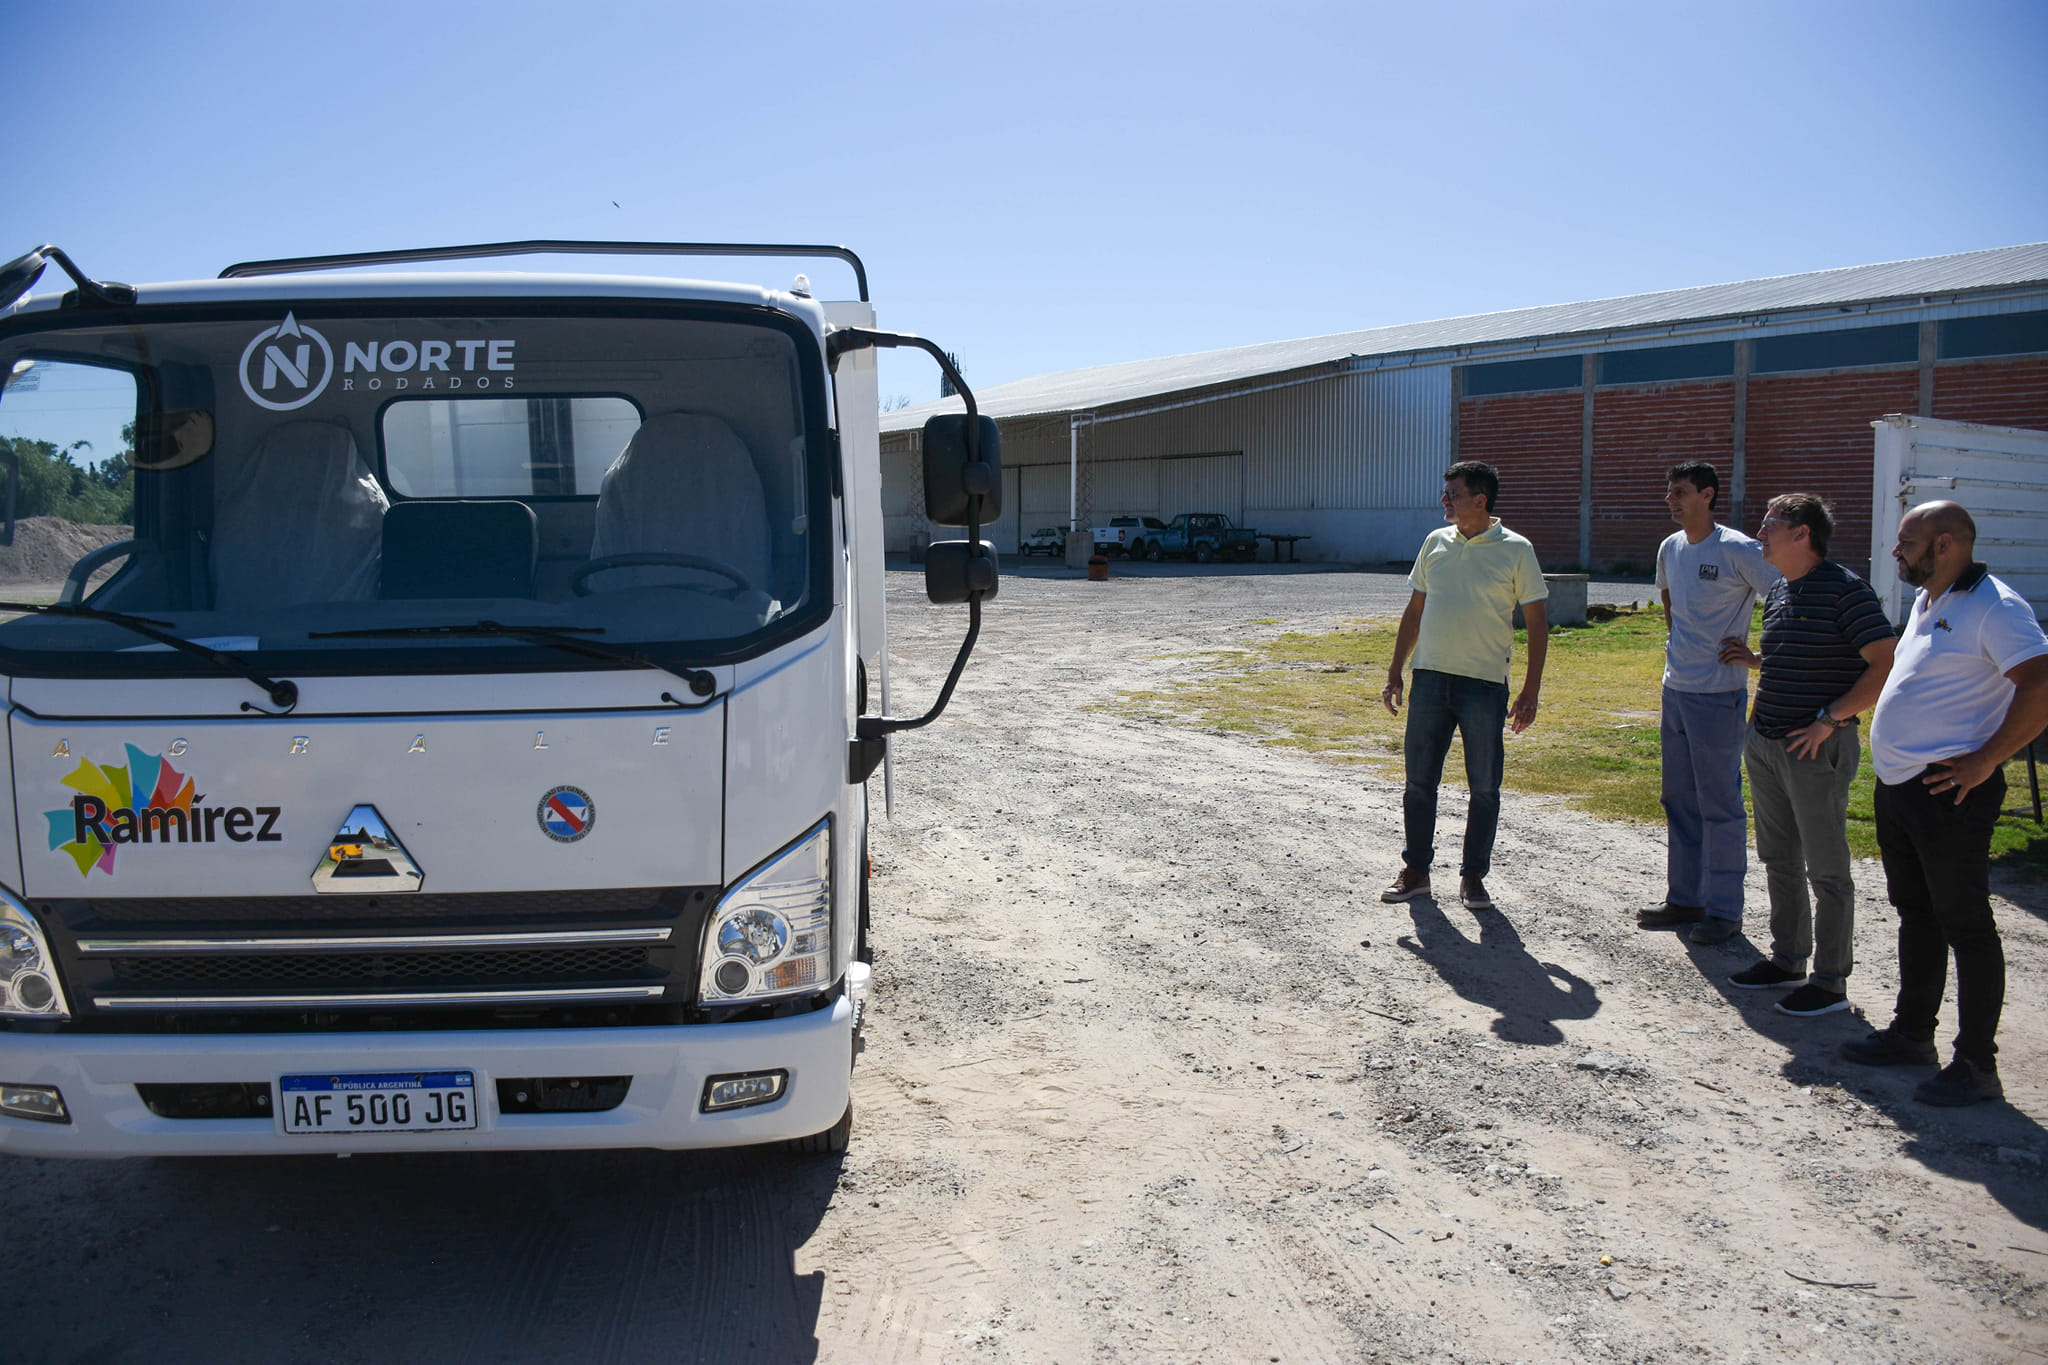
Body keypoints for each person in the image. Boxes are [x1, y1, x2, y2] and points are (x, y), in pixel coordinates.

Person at [1842, 502, 2048, 1105]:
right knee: (1917, 913)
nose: (1895, 551)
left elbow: (2041, 684)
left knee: (1966, 925)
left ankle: (1977, 1066)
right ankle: (1912, 1035)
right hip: (1902, 786)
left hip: (1950, 791)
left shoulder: (1996, 606)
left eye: (1907, 542)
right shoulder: (1927, 599)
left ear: (1946, 544)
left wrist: (1987, 759)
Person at [1718, 494, 1894, 1017]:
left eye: (1770, 524)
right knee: (1778, 858)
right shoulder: (1780, 589)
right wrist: (1755, 659)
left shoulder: (1847, 590)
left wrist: (1830, 721)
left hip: (1815, 747)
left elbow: (1884, 662)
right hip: (1767, 742)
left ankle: (1830, 982)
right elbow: (1796, 650)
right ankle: (1788, 959)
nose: (1760, 533)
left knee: (1827, 869)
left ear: (1802, 534)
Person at [1380, 460, 1548, 912]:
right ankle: (1416, 872)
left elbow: (1537, 623)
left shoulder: (1517, 549)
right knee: (1419, 783)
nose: (1444, 500)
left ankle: (1473, 877)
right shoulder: (1435, 542)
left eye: (1452, 493)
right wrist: (1396, 670)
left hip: (1484, 686)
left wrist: (1530, 690)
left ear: (1480, 500)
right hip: (1430, 680)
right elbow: (1415, 611)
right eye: (1446, 492)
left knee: (1485, 788)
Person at [1639, 460, 1779, 944]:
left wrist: (1758, 658)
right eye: (1669, 491)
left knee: (1720, 804)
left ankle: (1724, 910)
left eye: (1680, 492)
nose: (1671, 500)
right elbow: (1670, 604)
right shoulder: (1671, 547)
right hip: (1676, 690)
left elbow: (1788, 598)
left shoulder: (1737, 548)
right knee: (1679, 799)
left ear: (1708, 495)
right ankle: (1685, 898)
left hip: (1718, 695)